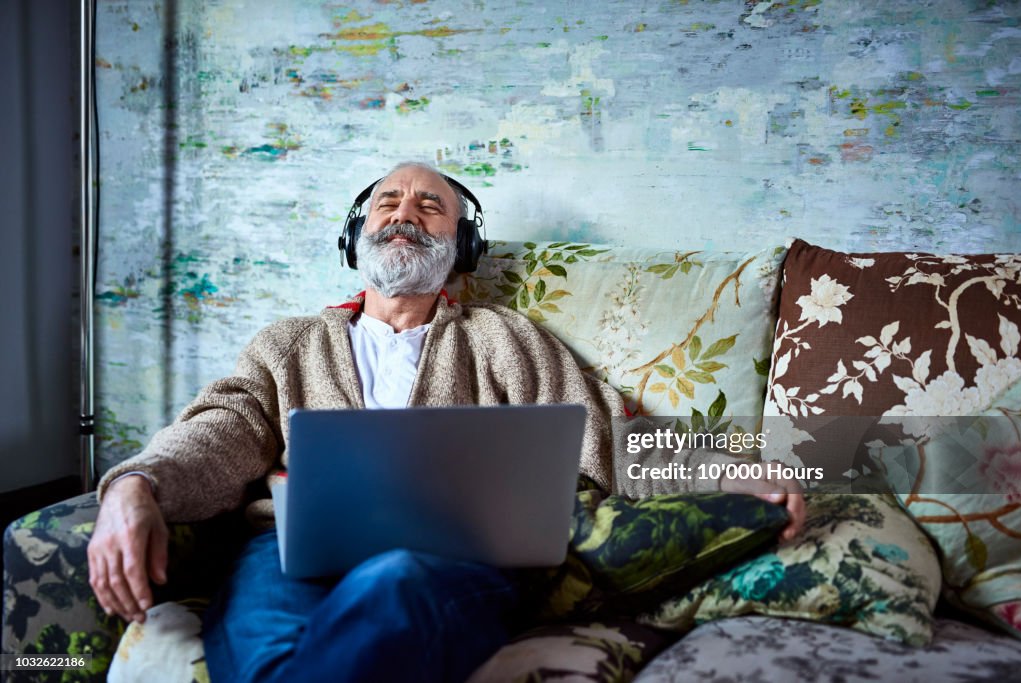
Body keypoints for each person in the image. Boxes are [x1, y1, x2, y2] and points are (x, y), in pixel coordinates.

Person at [88, 161, 805, 682]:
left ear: (460, 248)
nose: (404, 212)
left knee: (393, 582)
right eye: (387, 202)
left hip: (443, 565)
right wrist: (136, 485)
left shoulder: (508, 340)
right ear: (356, 237)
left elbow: (607, 436)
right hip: (284, 560)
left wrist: (729, 464)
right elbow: (217, 427)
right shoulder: (288, 344)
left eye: (430, 206)